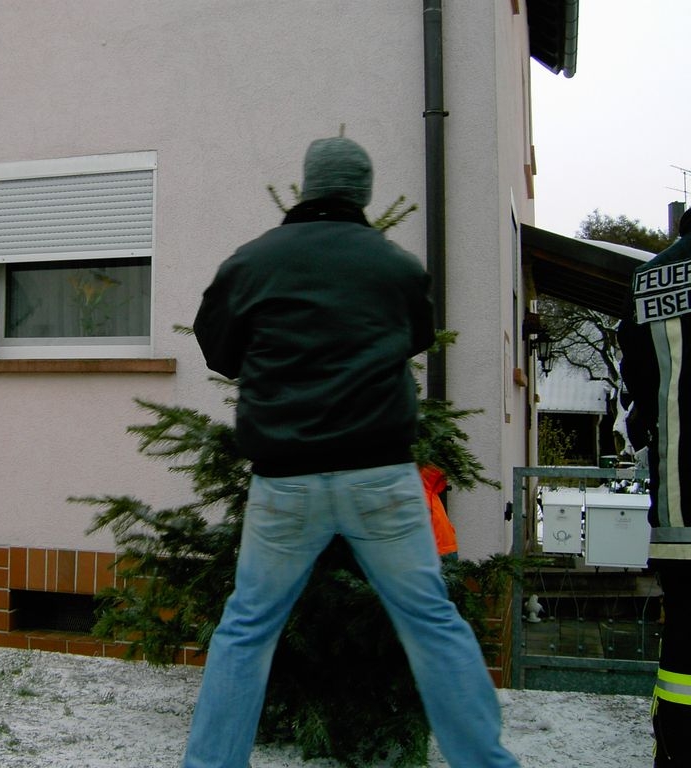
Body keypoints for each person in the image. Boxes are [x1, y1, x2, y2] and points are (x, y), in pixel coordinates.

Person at [184, 136, 519, 768]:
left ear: (310, 185)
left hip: (284, 482)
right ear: (361, 192)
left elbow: (219, 349)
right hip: (382, 478)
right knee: (432, 624)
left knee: (247, 630)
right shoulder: (395, 266)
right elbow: (415, 336)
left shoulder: (252, 262)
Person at [618, 207, 691, 765]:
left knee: (683, 650)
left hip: (680, 509)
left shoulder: (653, 278)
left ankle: (675, 750)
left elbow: (637, 386)